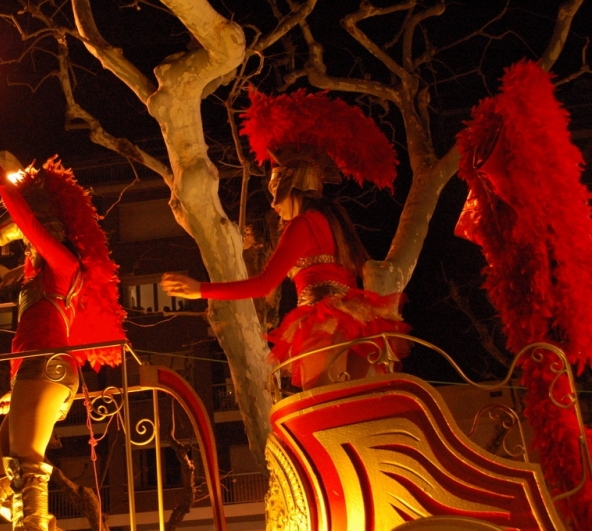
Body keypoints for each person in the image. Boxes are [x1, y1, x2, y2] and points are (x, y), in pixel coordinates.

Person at [161, 89, 408, 390]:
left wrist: (201, 290)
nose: (274, 205)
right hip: (355, 321)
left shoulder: (303, 224)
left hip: (322, 321)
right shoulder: (332, 222)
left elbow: (264, 283)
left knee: (319, 403)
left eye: (276, 196)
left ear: (292, 187)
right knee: (347, 400)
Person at [0, 139, 126, 531]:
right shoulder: (37, 275)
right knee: (0, 480)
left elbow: (29, 225)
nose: (25, 242)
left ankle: (35, 525)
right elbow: (29, 337)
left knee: (26, 467)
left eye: (30, 236)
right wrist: (15, 387)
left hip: (47, 368)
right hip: (37, 369)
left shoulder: (64, 265)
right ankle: (43, 524)